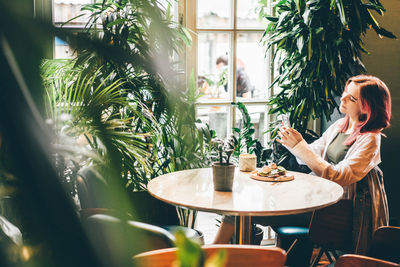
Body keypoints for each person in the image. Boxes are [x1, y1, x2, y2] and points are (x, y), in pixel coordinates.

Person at [214, 75, 391, 255]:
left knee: (242, 212)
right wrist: (294, 142)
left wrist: (299, 146)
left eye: (351, 98)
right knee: (239, 211)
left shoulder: (370, 139)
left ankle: (207, 257)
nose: (343, 98)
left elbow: (338, 176)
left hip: (333, 211)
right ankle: (213, 257)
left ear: (367, 107)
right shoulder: (340, 126)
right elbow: (308, 156)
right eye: (346, 92)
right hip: (317, 201)